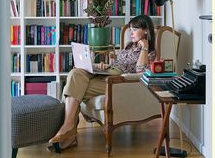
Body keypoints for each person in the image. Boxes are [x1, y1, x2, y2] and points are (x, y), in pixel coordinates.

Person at [49, 14, 156, 149]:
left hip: (118, 82)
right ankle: (68, 129)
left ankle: (68, 130)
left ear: (146, 30)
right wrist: (103, 66)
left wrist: (145, 47)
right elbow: (118, 63)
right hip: (108, 72)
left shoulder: (150, 52)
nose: (131, 33)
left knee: (74, 86)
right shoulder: (129, 46)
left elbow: (141, 71)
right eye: (130, 29)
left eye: (134, 29)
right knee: (75, 73)